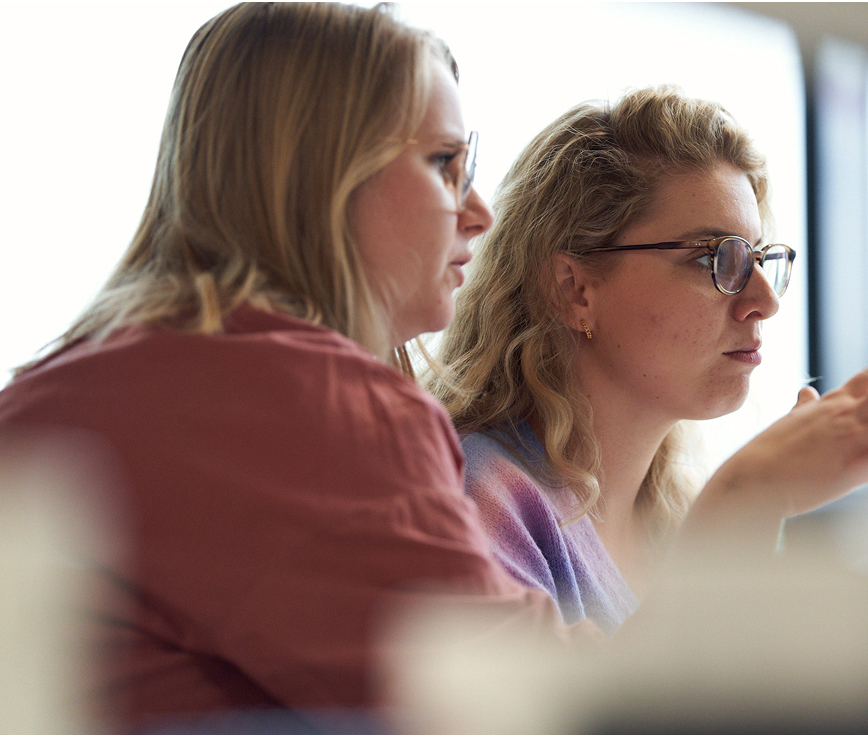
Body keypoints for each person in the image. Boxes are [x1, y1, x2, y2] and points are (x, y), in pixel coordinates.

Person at [0, 3, 583, 729]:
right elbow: (524, 700)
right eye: (443, 163)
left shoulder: (46, 391)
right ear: (322, 171)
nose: (478, 212)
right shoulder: (311, 405)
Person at [432, 86, 868, 632]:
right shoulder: (480, 501)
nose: (764, 300)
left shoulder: (673, 516)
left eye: (759, 259)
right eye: (713, 258)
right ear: (574, 290)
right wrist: (744, 501)